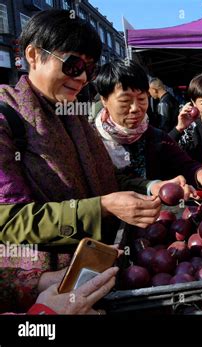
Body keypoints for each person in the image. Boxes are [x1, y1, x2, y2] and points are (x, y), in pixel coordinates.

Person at [0, 10, 164, 311]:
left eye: (88, 68)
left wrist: (152, 186)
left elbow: (109, 181)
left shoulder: (73, 116)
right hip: (41, 287)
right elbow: (8, 220)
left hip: (93, 271)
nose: (82, 78)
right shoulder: (6, 117)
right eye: (73, 65)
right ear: (34, 55)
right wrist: (99, 207)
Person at [94, 60, 202, 189]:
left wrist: (199, 172)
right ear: (104, 100)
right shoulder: (90, 139)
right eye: (125, 100)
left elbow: (183, 163)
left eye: (142, 99)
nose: (135, 108)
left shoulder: (156, 137)